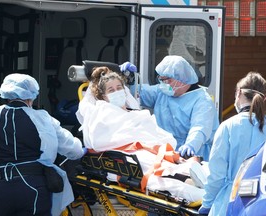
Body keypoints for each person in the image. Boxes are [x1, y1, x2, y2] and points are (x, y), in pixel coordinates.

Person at [76, 66, 208, 203]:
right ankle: (189, 181)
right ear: (103, 96)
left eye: (119, 88)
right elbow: (99, 139)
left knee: (173, 162)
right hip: (133, 152)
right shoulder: (103, 112)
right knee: (152, 164)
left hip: (153, 147)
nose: (117, 92)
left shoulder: (135, 113)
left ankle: (192, 177)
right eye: (111, 90)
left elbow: (153, 131)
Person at [0, 73, 85, 216]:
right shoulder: (44, 119)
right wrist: (83, 148)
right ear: (31, 96)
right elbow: (75, 150)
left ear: (6, 94)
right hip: (33, 188)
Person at [120, 55, 219, 161]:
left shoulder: (202, 101)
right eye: (161, 80)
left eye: (168, 80)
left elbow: (200, 128)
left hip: (191, 156)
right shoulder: (163, 92)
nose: (164, 84)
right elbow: (137, 94)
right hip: (163, 152)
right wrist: (129, 80)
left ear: (182, 79)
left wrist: (191, 145)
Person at [198, 71, 266, 215]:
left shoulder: (228, 127)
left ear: (239, 93)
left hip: (230, 202)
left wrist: (207, 203)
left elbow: (217, 175)